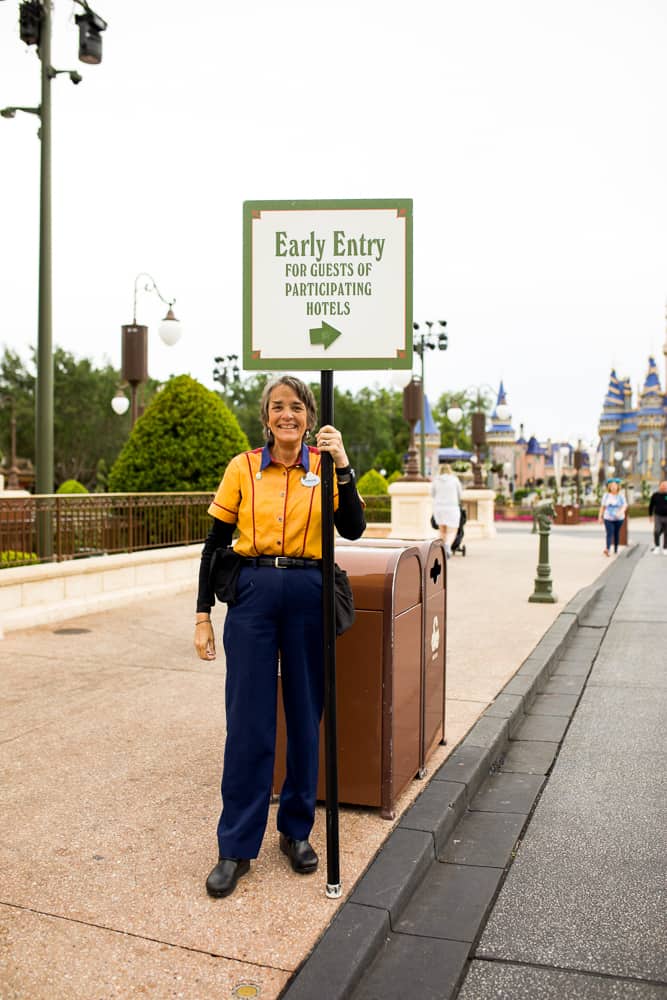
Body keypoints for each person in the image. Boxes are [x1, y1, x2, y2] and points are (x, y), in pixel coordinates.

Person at [194, 375, 365, 899]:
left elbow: (353, 528)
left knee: (306, 715)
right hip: (253, 593)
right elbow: (214, 543)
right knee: (249, 721)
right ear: (265, 417)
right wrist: (202, 614)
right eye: (277, 407)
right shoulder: (242, 468)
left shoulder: (325, 466)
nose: (286, 415)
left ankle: (295, 831)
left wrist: (343, 466)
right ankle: (235, 846)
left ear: (310, 417)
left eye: (296, 407)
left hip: (308, 591)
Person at [430, 463, 462, 557]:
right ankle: (447, 546)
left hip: (439, 508)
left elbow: (432, 494)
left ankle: (439, 550)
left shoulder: (435, 480)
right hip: (452, 507)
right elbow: (460, 494)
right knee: (452, 531)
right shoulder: (455, 480)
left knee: (442, 530)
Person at [597, 478, 627, 556]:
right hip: (608, 517)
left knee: (616, 533)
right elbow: (603, 507)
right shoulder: (606, 496)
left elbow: (624, 506)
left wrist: (620, 512)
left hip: (619, 518)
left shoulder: (621, 496)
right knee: (609, 533)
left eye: (615, 486)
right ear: (609, 487)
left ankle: (616, 548)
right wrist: (600, 516)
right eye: (611, 486)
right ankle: (607, 549)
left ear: (618, 487)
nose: (613, 487)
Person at [648, 480, 667, 554]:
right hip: (658, 516)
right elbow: (651, 506)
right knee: (657, 531)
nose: (665, 487)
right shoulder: (655, 495)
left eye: (666, 485)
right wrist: (650, 515)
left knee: (666, 533)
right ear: (660, 486)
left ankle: (665, 548)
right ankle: (657, 547)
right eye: (663, 485)